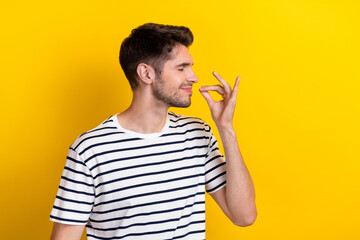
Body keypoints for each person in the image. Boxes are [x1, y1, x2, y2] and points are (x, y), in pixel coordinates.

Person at [50, 23, 257, 240]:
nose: (194, 77)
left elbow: (244, 216)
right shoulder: (90, 149)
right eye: (181, 68)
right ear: (146, 73)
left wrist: (226, 129)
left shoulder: (197, 134)